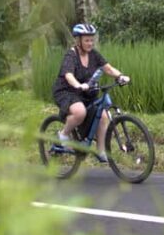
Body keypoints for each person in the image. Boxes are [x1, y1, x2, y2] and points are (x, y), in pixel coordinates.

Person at [52, 23, 130, 163]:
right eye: (86, 40)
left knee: (104, 116)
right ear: (78, 41)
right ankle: (63, 135)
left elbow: (108, 69)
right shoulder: (71, 55)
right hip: (67, 91)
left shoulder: (94, 54)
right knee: (80, 112)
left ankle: (100, 150)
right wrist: (78, 85)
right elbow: (68, 75)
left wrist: (120, 76)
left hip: (86, 92)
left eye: (91, 40)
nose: (90, 43)